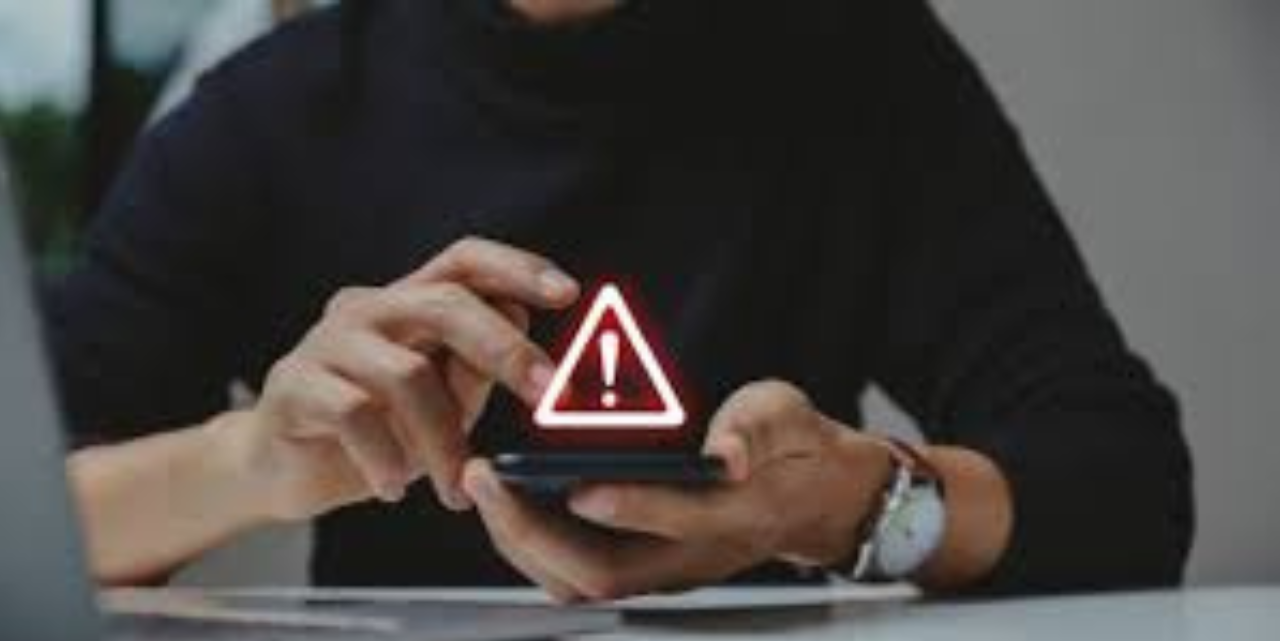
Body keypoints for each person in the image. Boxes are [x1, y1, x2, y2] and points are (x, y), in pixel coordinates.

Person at [45, 0, 1193, 601]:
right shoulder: (274, 109)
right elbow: (28, 534)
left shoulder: (853, 55)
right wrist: (257, 463)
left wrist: (846, 507)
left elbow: (1122, 485)